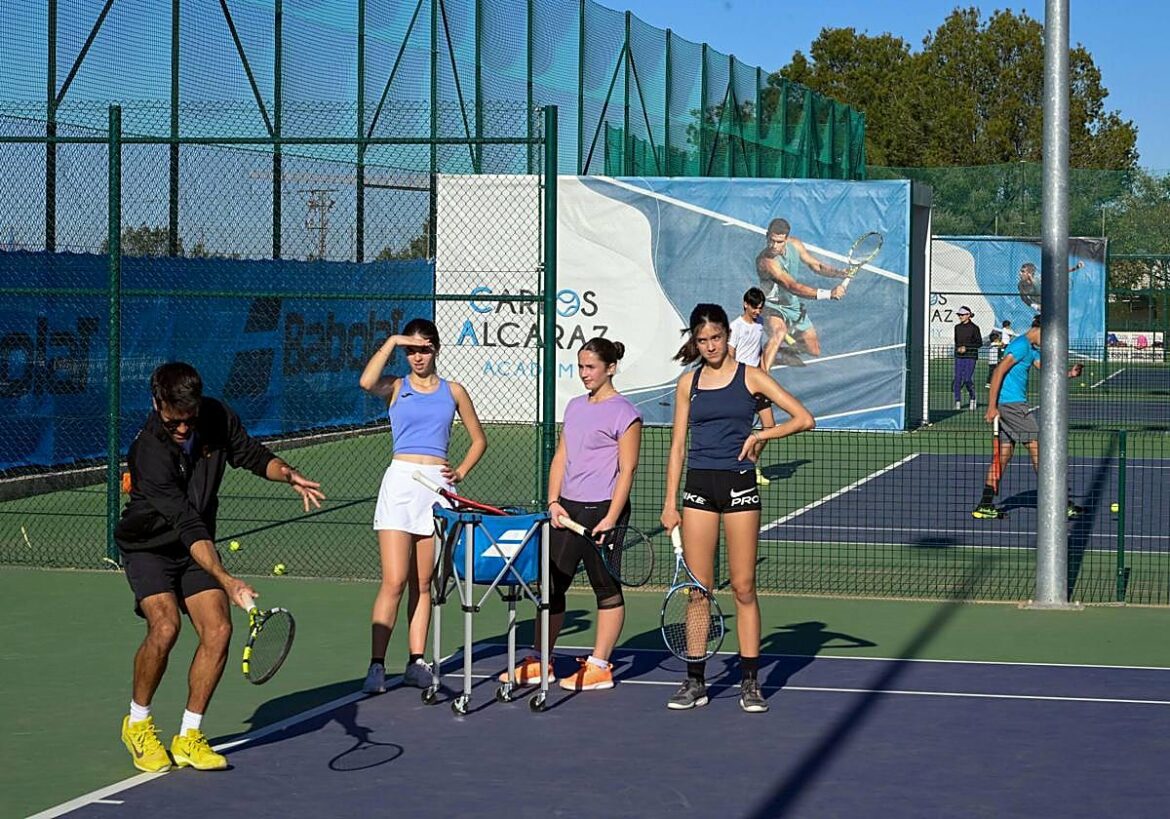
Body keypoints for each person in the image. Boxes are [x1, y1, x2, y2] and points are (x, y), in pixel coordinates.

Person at [115, 362, 325, 772]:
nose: (183, 428)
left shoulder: (214, 416)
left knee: (219, 629)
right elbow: (186, 522)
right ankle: (137, 723)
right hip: (149, 548)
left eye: (189, 419)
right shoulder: (148, 451)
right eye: (174, 422)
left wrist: (288, 474)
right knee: (165, 626)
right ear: (157, 404)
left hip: (196, 546)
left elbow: (251, 455)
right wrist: (226, 579)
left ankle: (189, 736)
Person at [661, 304, 815, 712]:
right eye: (702, 340)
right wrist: (669, 503)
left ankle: (750, 682)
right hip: (699, 489)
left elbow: (804, 418)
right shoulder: (688, 383)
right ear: (695, 342)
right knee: (698, 590)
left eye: (715, 338)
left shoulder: (752, 377)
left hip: (739, 487)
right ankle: (695, 682)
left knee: (744, 587)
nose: (710, 346)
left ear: (727, 337)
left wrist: (762, 435)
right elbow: (677, 447)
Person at [499, 338, 642, 692]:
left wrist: (611, 517)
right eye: (580, 366)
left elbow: (627, 469)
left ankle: (599, 666)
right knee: (550, 586)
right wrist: (553, 502)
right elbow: (561, 456)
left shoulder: (626, 413)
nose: (584, 374)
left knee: (605, 587)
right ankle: (540, 660)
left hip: (604, 510)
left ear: (610, 368)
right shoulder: (575, 406)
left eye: (591, 367)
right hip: (567, 508)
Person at [359, 319, 487, 694]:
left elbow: (479, 439)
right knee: (394, 581)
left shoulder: (454, 391)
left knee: (423, 582)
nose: (417, 357)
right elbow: (366, 382)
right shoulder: (396, 387)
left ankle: (416, 662)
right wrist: (392, 340)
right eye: (411, 350)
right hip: (400, 485)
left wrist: (459, 472)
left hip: (436, 490)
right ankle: (377, 666)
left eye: (424, 349)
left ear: (436, 349)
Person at [972, 316, 1085, 520]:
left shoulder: (1031, 349)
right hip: (1012, 406)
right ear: (1039, 330)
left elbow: (1048, 370)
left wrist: (1069, 374)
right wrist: (991, 407)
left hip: (1009, 405)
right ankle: (1059, 503)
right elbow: (998, 372)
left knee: (1004, 454)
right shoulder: (1021, 346)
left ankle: (985, 504)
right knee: (1038, 448)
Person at [755, 218, 848, 371]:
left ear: (786, 239)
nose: (774, 245)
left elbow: (816, 265)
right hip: (771, 306)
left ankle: (775, 351)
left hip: (792, 305)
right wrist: (829, 294)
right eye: (771, 240)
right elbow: (792, 287)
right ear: (767, 236)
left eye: (779, 242)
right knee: (779, 332)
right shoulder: (767, 262)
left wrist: (838, 273)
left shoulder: (795, 245)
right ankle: (762, 377)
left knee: (813, 350)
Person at [728, 287, 777, 488]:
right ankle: (735, 469)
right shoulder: (735, 327)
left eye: (760, 308)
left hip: (759, 383)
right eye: (755, 307)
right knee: (738, 431)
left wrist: (764, 374)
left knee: (769, 427)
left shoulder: (760, 324)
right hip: (741, 385)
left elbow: (759, 352)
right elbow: (730, 357)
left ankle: (752, 463)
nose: (758, 311)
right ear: (745, 304)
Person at [1018, 260, 1085, 312]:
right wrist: (1035, 306)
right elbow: (1024, 298)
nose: (1020, 273)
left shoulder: (1039, 279)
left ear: (1029, 273)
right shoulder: (1020, 285)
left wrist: (1076, 267)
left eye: (1023, 271)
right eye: (1020, 271)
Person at [953, 306, 982, 410]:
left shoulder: (975, 328)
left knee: (967, 379)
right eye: (959, 315)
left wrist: (966, 348)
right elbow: (956, 342)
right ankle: (957, 401)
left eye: (962, 315)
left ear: (968, 315)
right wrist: (958, 348)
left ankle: (972, 398)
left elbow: (979, 343)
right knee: (957, 379)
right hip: (959, 357)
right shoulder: (957, 327)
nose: (960, 316)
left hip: (971, 356)